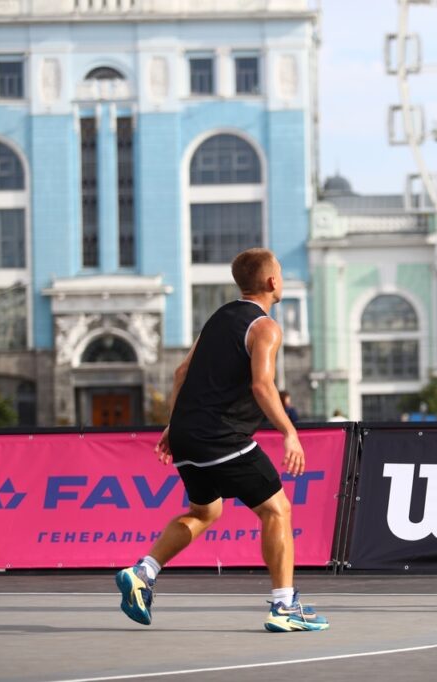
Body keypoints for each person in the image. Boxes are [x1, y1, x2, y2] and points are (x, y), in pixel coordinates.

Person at [114, 248, 329, 632]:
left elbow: (182, 371)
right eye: (279, 272)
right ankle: (284, 607)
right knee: (276, 511)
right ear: (272, 282)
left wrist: (172, 426)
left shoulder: (217, 319)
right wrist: (290, 433)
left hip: (188, 436)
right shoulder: (265, 328)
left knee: (204, 512)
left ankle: (143, 573)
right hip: (222, 436)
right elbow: (262, 385)